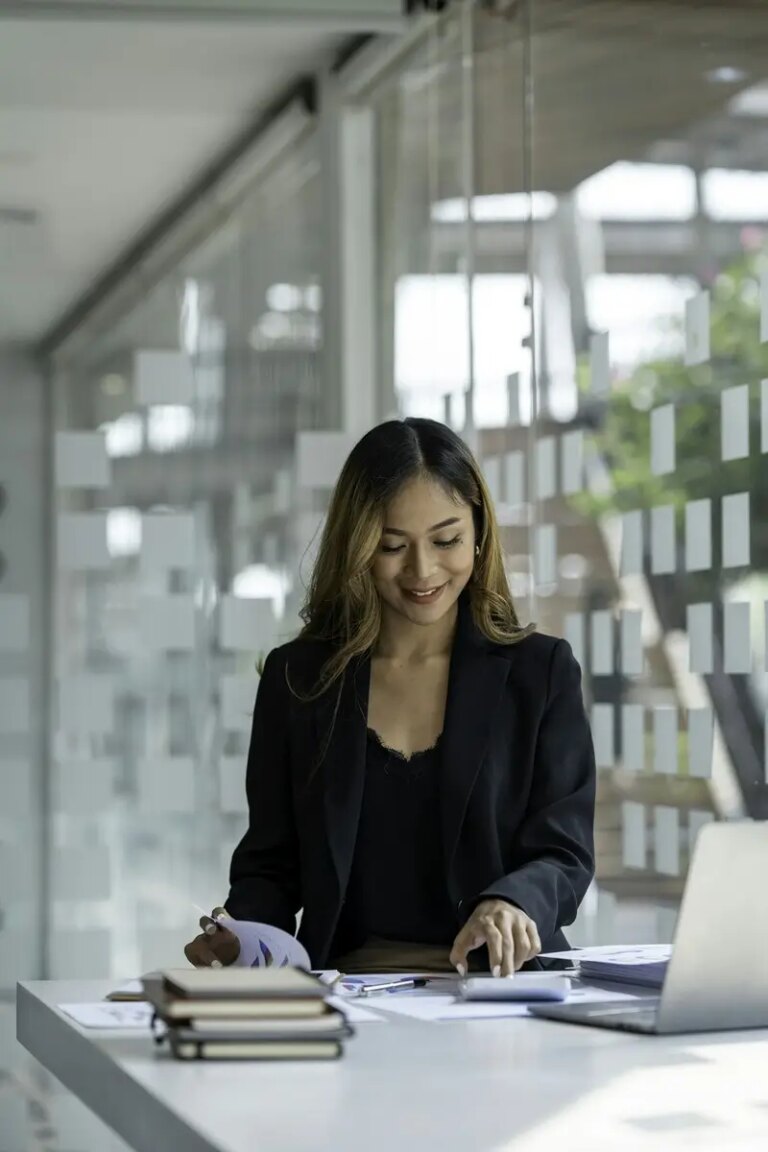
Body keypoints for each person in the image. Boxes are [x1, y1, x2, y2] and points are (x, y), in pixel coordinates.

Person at [185, 418, 595, 977]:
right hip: (349, 993)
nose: (422, 571)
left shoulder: (540, 672)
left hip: (503, 993)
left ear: (478, 532)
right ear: (356, 547)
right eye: (391, 546)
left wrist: (514, 901)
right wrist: (240, 934)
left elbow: (564, 851)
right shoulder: (299, 679)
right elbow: (271, 865)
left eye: (446, 540)